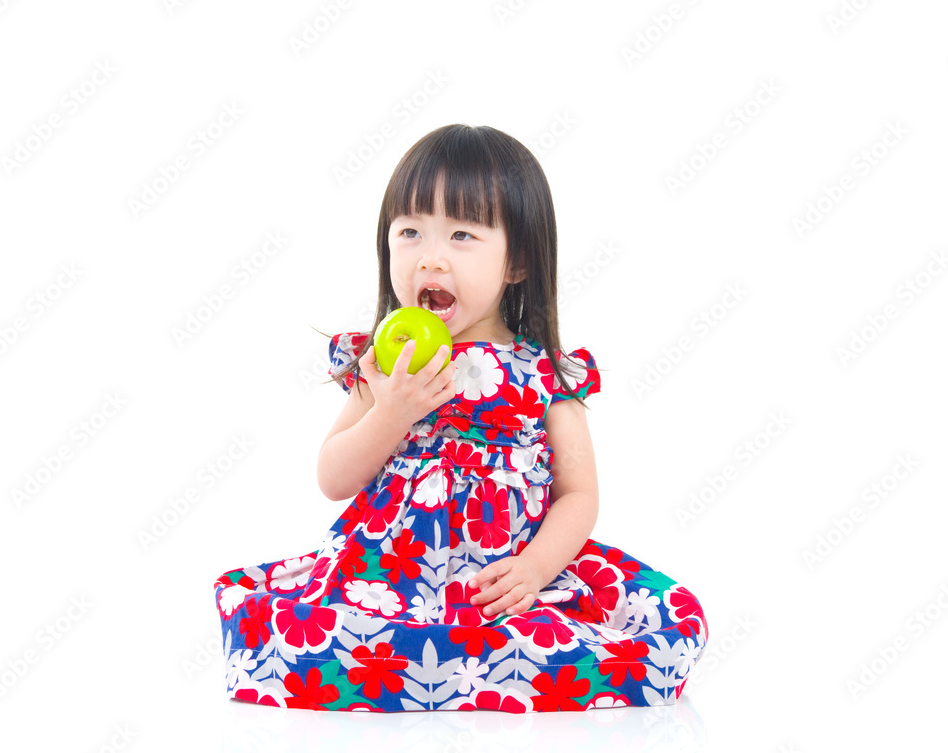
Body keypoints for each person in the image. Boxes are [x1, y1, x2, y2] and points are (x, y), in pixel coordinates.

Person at [214, 124, 707, 713]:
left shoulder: (546, 374)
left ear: (516, 262)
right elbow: (333, 477)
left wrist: (535, 568)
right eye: (410, 232)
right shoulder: (388, 361)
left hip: (497, 585)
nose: (430, 256)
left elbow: (579, 493)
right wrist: (390, 412)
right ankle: (422, 666)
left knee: (616, 639)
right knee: (305, 636)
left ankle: (455, 667)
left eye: (462, 234)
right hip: (385, 579)